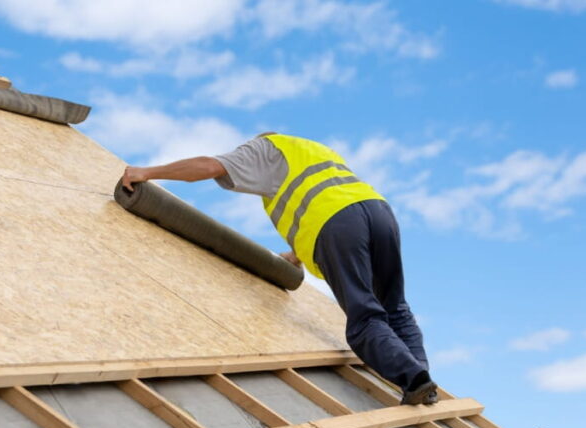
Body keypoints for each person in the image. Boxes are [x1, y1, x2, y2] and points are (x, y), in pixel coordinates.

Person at [120, 132, 437, 405]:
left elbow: (209, 166)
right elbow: (326, 199)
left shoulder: (264, 148)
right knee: (395, 305)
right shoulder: (312, 150)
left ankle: (411, 378)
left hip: (336, 224)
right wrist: (296, 256)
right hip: (378, 212)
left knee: (364, 317)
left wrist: (147, 172)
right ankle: (424, 383)